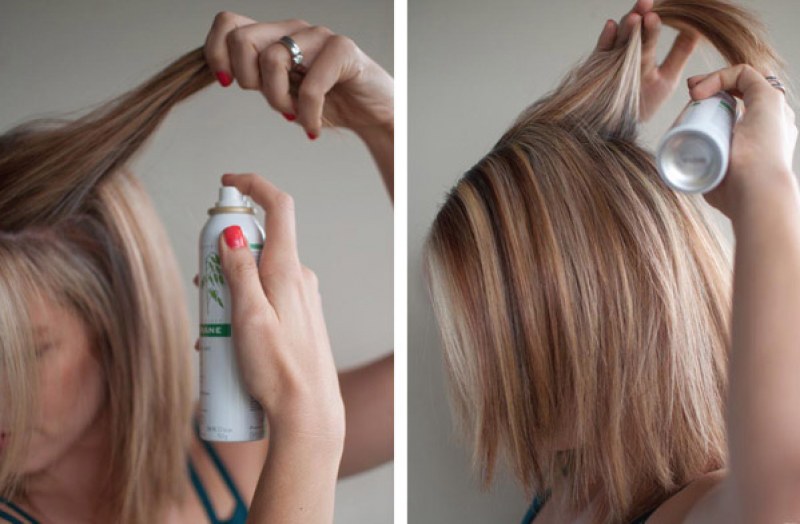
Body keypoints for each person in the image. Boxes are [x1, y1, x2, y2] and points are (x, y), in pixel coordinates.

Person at [0, 10, 393, 524]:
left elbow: (441, 371)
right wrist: (309, 427)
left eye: (24, 354)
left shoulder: (230, 453)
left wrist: (384, 122)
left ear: (118, 327)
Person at [425, 0, 799, 522]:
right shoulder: (575, 476)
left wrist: (767, 186)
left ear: (618, 316)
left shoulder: (698, 506)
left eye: (504, 332)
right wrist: (605, 150)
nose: (482, 375)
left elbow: (780, 495)